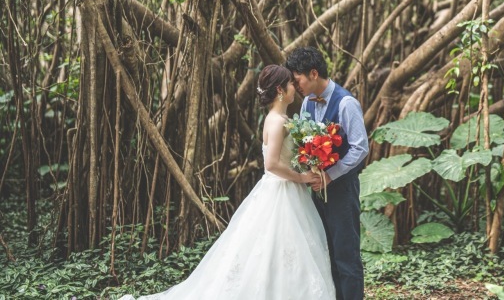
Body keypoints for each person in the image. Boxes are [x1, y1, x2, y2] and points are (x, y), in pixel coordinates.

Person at [119, 65, 335, 299]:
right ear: (280, 89)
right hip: (281, 191)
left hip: (285, 190)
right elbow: (271, 164)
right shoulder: (276, 121)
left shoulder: (282, 119)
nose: (295, 87)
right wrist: (302, 177)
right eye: (291, 83)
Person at [285, 47, 369, 300]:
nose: (295, 84)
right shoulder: (306, 105)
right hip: (316, 191)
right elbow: (304, 143)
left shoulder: (346, 103)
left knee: (346, 254)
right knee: (325, 252)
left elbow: (360, 147)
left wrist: (331, 175)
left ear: (313, 73)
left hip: (341, 190)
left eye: (297, 78)